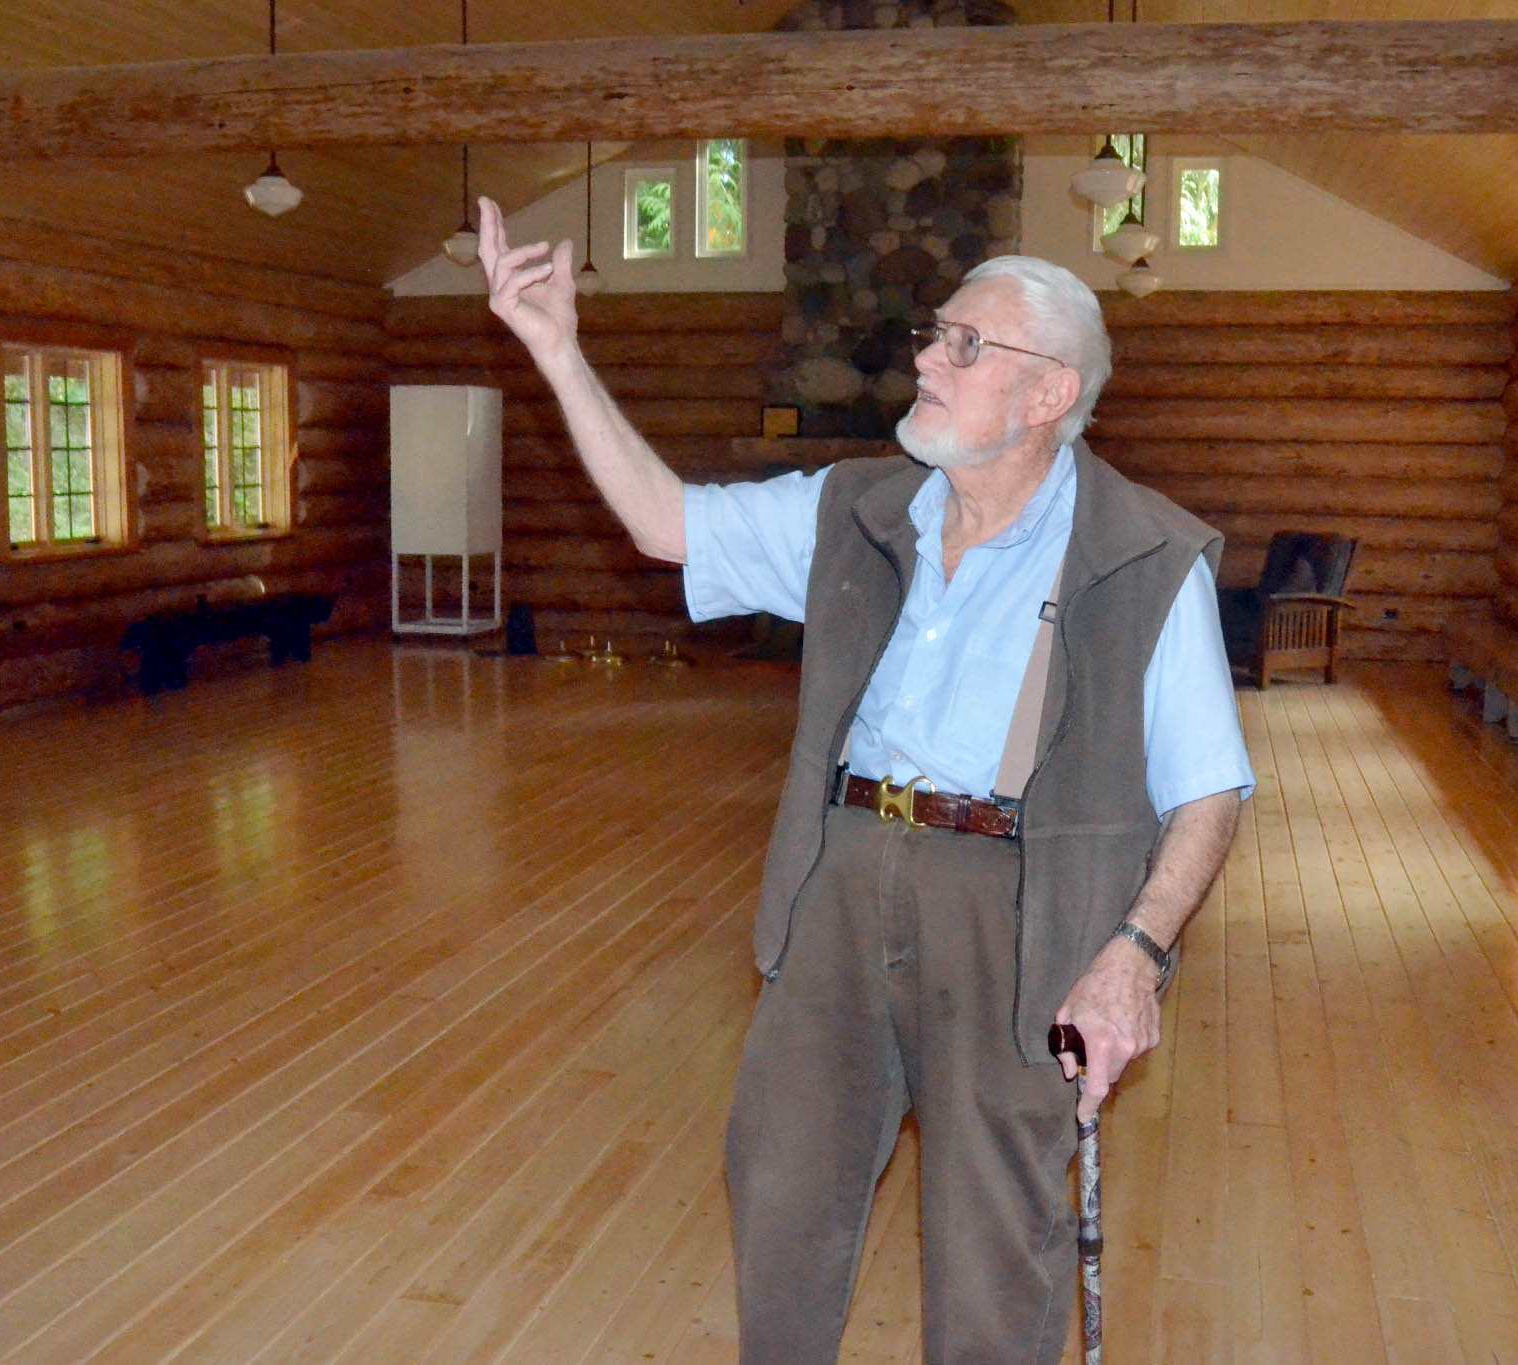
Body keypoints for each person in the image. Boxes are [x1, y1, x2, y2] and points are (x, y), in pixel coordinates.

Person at [477, 195, 1251, 1364]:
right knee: (780, 1180)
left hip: (1016, 905)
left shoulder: (1143, 555)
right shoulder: (857, 508)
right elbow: (664, 523)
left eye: (966, 346)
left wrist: (1132, 957)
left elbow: (1207, 790)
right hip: (839, 876)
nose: (928, 360)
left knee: (994, 1236)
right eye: (937, 336)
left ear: (1048, 395)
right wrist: (556, 352)